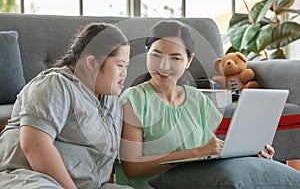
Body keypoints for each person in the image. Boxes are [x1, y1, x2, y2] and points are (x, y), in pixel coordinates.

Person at [115, 20, 275, 189]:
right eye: (156, 55)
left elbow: (210, 153)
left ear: (189, 60)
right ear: (147, 53)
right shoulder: (133, 99)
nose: (163, 65)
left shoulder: (197, 100)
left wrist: (251, 154)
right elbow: (132, 167)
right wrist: (195, 153)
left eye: (175, 58)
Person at [0, 22, 133, 189]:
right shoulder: (55, 84)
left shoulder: (110, 99)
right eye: (120, 66)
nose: (124, 74)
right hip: (30, 178)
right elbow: (34, 145)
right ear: (91, 63)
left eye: (126, 66)